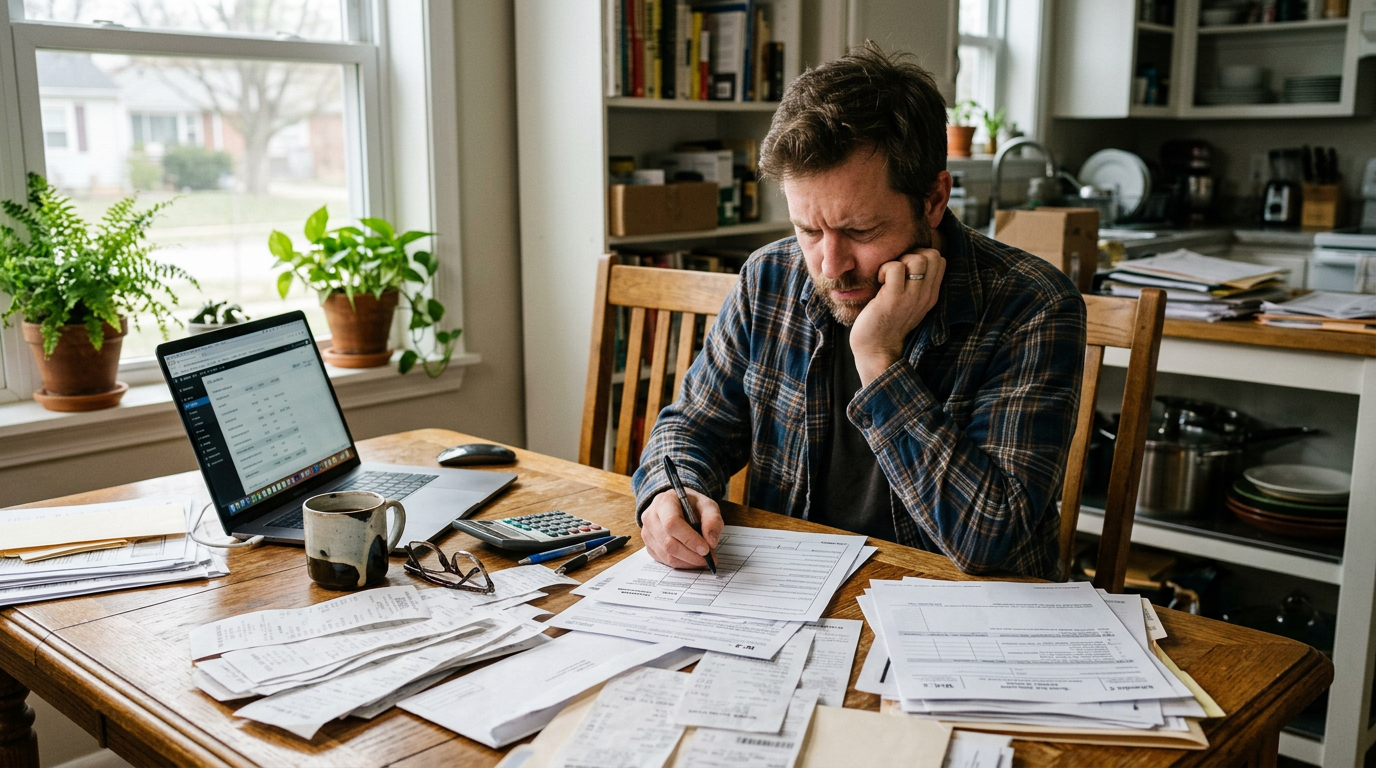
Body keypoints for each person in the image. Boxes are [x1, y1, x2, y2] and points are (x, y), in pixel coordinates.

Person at [630, 44, 1086, 581]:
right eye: (808, 230)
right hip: (793, 599)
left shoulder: (1032, 304)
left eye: (861, 231)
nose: (831, 264)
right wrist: (669, 491)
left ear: (934, 199)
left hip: (963, 618)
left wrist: (879, 359)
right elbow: (692, 426)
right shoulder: (769, 278)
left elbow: (991, 538)